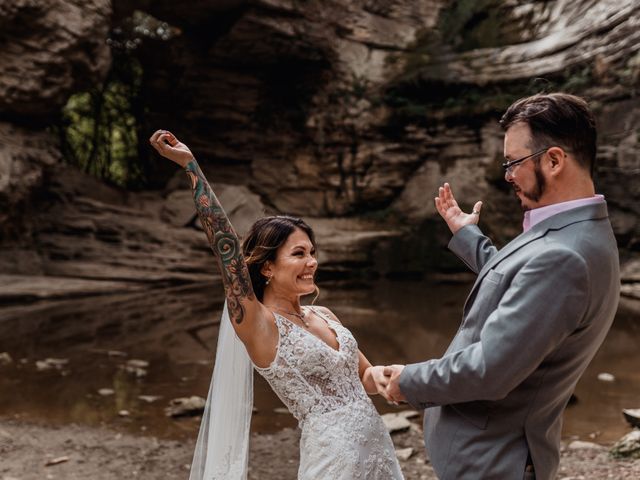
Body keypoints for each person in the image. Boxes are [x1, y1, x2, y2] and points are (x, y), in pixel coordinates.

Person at [382, 93, 620, 480]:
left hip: (491, 465)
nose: (507, 174)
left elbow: (490, 369)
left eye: (514, 162)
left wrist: (408, 381)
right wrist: (467, 235)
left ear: (555, 160)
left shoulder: (564, 258)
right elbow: (519, 278)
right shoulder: (579, 230)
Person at [149, 129, 404, 480]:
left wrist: (399, 379)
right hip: (333, 460)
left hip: (379, 450)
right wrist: (192, 166)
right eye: (298, 253)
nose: (312, 261)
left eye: (313, 252)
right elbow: (226, 248)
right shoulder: (260, 325)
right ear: (267, 266)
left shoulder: (324, 315)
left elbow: (364, 376)